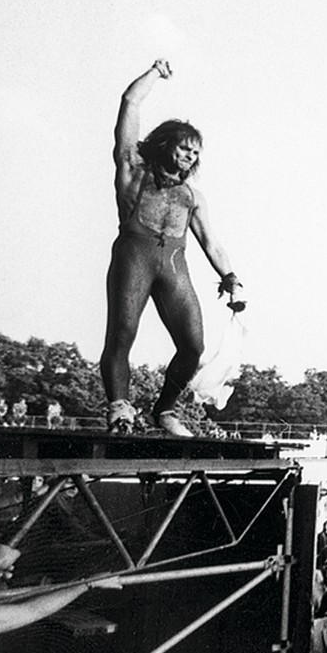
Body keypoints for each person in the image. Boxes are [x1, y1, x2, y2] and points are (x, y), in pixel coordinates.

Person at [101, 59, 241, 436]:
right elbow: (130, 103)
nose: (189, 157)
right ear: (165, 146)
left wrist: (230, 277)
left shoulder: (192, 197)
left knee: (193, 345)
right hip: (134, 256)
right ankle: (119, 408)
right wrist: (153, 74)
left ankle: (164, 410)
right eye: (183, 148)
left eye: (195, 152)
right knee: (122, 334)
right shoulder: (133, 168)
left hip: (173, 265)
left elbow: (211, 241)